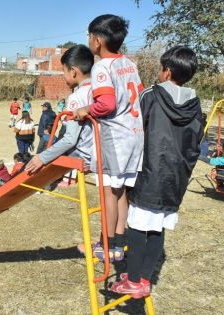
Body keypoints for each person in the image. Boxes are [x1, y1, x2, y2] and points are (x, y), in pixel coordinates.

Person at [110, 46, 202, 298]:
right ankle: (145, 279)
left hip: (149, 172)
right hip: (176, 176)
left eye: (161, 68)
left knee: (138, 227)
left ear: (167, 71)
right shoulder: (195, 104)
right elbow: (196, 142)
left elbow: (134, 130)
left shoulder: (150, 95)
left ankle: (134, 279)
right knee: (157, 227)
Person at [75, 15, 144, 261]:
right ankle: (118, 240)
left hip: (115, 138)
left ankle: (106, 245)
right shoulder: (129, 63)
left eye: (89, 37)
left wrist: (86, 110)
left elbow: (105, 103)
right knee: (121, 191)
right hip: (134, 136)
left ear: (97, 40)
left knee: (108, 193)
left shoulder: (102, 67)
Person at [26, 45, 95, 175]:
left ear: (73, 71)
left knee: (39, 160)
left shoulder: (77, 97)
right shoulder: (100, 90)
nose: (63, 76)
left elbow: (70, 139)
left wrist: (42, 157)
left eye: (64, 71)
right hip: (98, 153)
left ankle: (11, 179)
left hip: (83, 156)